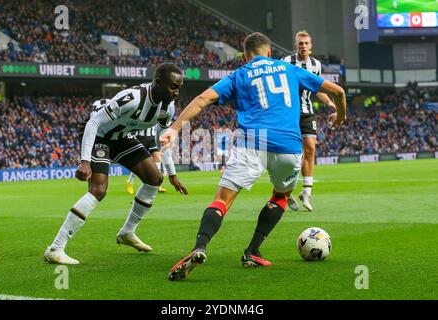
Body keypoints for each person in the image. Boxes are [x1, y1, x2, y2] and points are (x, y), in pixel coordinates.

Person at [160, 32, 346, 281]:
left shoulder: (240, 74)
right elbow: (338, 91)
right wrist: (341, 115)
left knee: (222, 201)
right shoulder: (289, 69)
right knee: (281, 196)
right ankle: (252, 251)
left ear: (245, 55)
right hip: (289, 145)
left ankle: (199, 248)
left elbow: (203, 99)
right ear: (269, 52)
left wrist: (174, 128)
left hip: (252, 142)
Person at [44, 62, 187, 265]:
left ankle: (127, 232)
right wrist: (85, 161)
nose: (176, 92)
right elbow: (93, 123)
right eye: (173, 86)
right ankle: (56, 248)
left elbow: (162, 139)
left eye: (179, 87)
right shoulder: (132, 98)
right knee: (98, 190)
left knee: (155, 178)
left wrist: (172, 174)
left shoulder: (168, 107)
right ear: (157, 82)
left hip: (121, 137)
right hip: (100, 136)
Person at [281, 30, 338, 212]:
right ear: (295, 45)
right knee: (291, 156)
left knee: (311, 148)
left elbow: (318, 89)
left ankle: (306, 192)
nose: (303, 46)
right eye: (300, 43)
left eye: (306, 43)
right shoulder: (285, 62)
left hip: (307, 112)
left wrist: (330, 103)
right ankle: (285, 191)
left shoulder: (316, 65)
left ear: (311, 45)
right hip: (289, 113)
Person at [125, 125, 175, 195]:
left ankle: (158, 184)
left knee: (157, 157)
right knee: (138, 161)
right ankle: (130, 182)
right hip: (141, 137)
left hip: (153, 137)